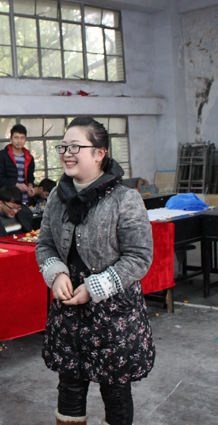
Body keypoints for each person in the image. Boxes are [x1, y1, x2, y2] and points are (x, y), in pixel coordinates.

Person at [35, 117, 154, 425]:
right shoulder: (57, 197)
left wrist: (96, 286)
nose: (66, 153)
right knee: (69, 387)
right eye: (63, 147)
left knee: (115, 390)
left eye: (75, 147)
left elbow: (139, 256)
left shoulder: (124, 199)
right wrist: (56, 273)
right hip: (69, 313)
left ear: (100, 153)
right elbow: (45, 244)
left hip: (112, 316)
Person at [0, 124, 35, 203]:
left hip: (24, 199)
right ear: (11, 139)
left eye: (22, 138)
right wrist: (16, 185)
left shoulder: (29, 157)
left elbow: (30, 176)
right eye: (16, 137)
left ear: (25, 139)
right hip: (7, 199)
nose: (19, 141)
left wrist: (30, 186)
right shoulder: (2, 155)